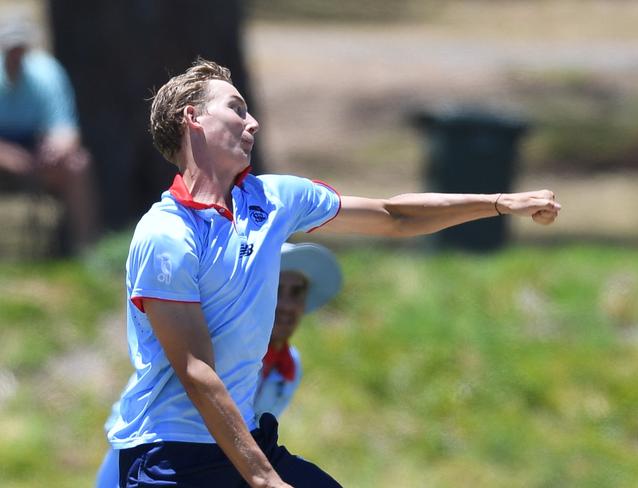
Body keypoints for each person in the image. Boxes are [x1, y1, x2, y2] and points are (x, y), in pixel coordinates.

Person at [107, 58, 560, 488]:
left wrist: (499, 202)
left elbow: (394, 216)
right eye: (236, 109)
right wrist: (264, 478)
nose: (253, 122)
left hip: (240, 444)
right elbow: (196, 369)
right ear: (193, 118)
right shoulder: (166, 234)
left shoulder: (274, 199)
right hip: (169, 458)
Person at [96, 242, 342, 487]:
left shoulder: (289, 367)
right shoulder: (205, 348)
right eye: (276, 289)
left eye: (296, 292)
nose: (287, 305)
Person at [0, 17, 97, 253]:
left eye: (20, 49)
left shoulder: (47, 74)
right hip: (5, 155)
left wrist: (55, 150)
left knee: (78, 164)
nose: (16, 56)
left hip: (37, 154)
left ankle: (85, 248)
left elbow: (66, 130)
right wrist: (8, 157)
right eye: (11, 49)